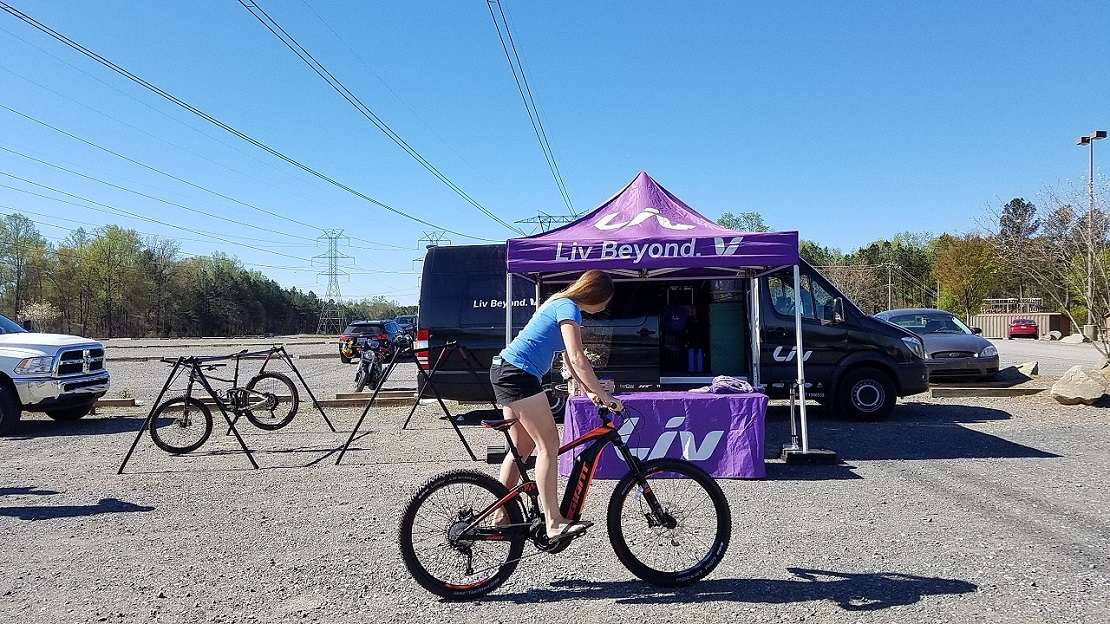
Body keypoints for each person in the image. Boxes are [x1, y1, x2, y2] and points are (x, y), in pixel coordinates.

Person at [489, 269, 622, 542]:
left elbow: (569, 361)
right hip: (518, 374)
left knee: (521, 449)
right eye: (606, 302)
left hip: (506, 370)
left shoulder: (559, 302)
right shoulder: (568, 308)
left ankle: (501, 515)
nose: (604, 307)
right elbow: (578, 357)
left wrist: (590, 392)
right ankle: (553, 522)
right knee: (548, 446)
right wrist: (606, 396)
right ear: (596, 295)